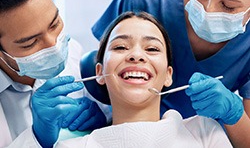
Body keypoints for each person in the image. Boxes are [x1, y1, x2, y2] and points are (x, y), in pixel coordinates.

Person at [88, 0, 250, 147]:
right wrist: (95, 105)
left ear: (170, 74)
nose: (207, 10)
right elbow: (102, 59)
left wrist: (234, 115)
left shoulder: (208, 137)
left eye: (228, 6)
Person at [55, 11, 232, 147]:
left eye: (152, 49)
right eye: (121, 46)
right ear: (99, 72)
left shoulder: (204, 133)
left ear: (168, 75)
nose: (136, 55)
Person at [0, 0, 109, 148]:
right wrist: (37, 137)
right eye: (30, 42)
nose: (53, 45)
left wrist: (102, 121)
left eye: (54, 24)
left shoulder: (74, 53)